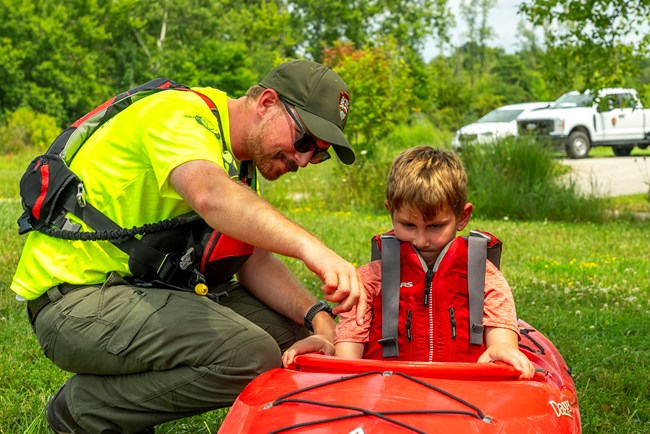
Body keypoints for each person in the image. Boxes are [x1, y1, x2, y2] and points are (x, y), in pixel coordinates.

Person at [11, 59, 366, 433]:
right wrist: (313, 249)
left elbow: (252, 259)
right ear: (266, 103)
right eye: (304, 140)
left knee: (296, 341)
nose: (304, 159)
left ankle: (116, 401)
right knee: (250, 354)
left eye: (319, 153)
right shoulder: (178, 114)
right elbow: (210, 194)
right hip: (74, 302)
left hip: (140, 292)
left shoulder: (236, 158)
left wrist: (317, 317)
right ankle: (85, 409)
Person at [282, 146, 534, 379]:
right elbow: (348, 361)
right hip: (389, 402)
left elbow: (501, 345)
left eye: (435, 226)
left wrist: (501, 350)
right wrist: (325, 346)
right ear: (390, 211)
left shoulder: (485, 277)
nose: (421, 240)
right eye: (408, 225)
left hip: (466, 396)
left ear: (462, 217)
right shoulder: (369, 281)